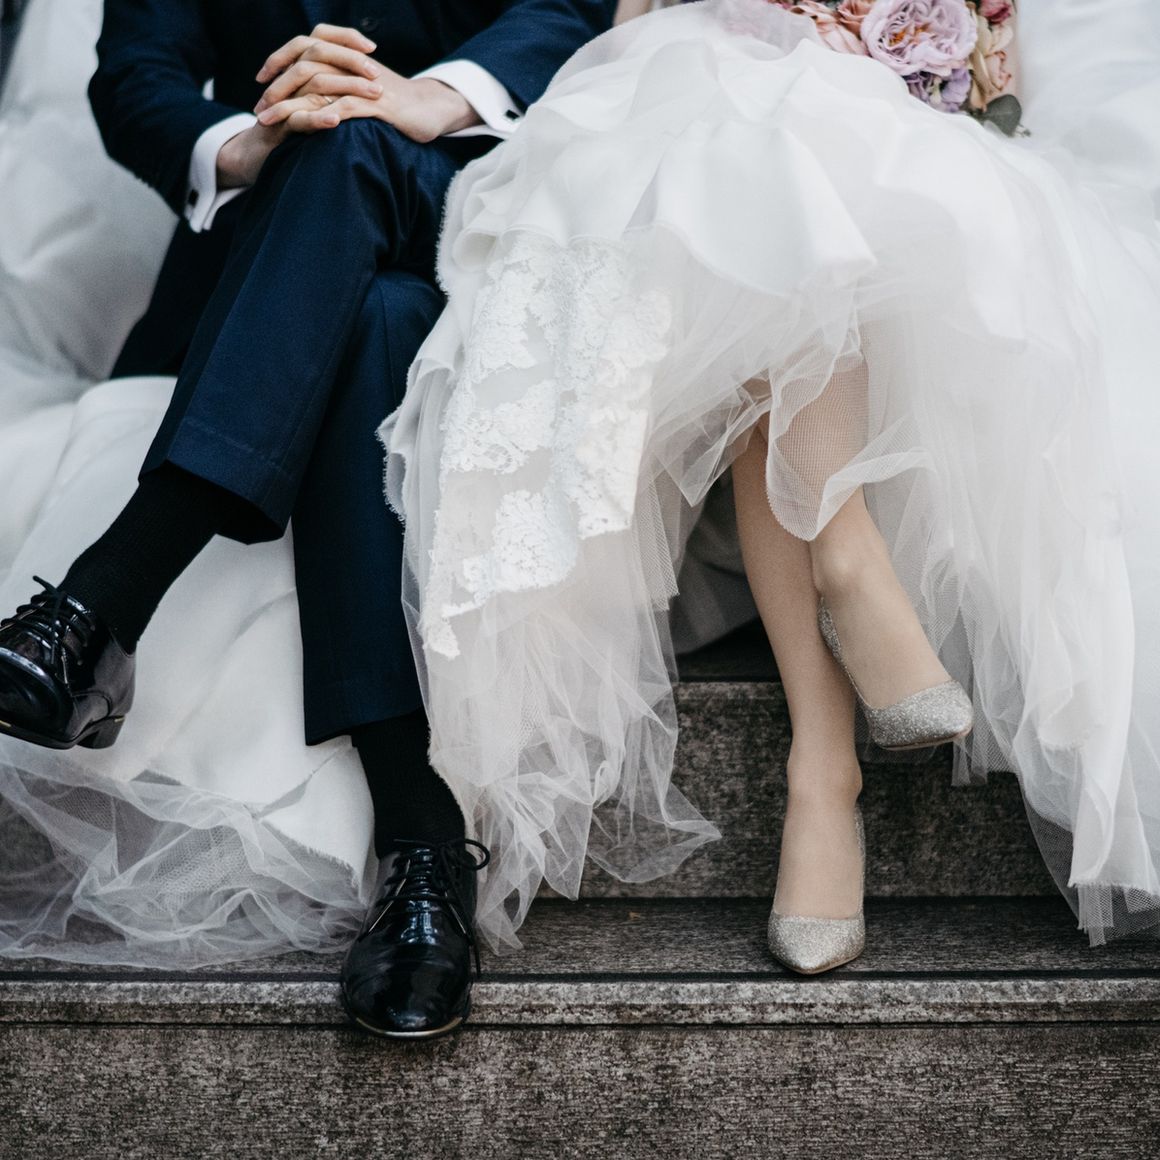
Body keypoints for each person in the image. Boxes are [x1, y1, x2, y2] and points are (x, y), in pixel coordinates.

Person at [382, 0, 1160, 966]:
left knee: (796, 170)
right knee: (753, 148)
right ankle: (844, 573)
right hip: (706, 134)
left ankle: (825, 757)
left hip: (903, 170)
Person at [0, 0, 617, 1038]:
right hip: (278, 250)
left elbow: (567, 8)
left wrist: (431, 98)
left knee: (356, 142)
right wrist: (243, 145)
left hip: (483, 217)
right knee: (362, 290)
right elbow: (136, 73)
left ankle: (102, 603)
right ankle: (425, 847)